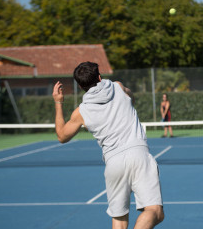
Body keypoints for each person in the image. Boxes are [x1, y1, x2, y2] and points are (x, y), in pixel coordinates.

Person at [52, 61, 164, 229]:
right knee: (155, 211)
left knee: (119, 220)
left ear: (81, 87)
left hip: (114, 164)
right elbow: (130, 96)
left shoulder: (81, 112)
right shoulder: (118, 87)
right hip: (139, 155)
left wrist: (58, 102)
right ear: (99, 76)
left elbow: (61, 136)